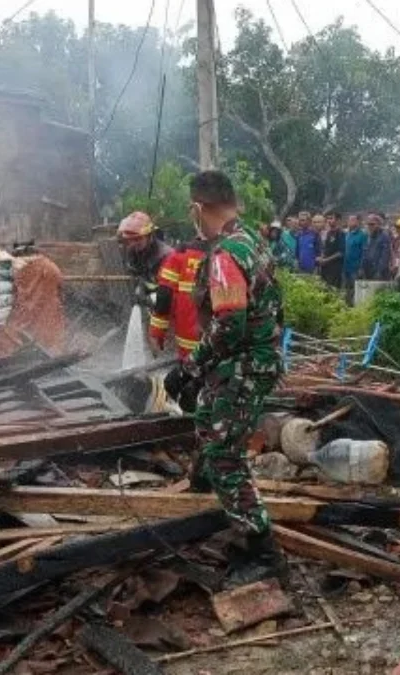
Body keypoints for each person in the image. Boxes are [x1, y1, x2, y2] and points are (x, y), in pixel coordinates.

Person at [165, 170, 287, 586]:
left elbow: (229, 323)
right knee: (211, 431)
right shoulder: (254, 242)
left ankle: (262, 551)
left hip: (241, 368)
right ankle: (206, 501)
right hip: (255, 362)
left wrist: (190, 367)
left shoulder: (223, 255)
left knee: (225, 455)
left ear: (198, 208)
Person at [150, 236, 208, 365]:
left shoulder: (181, 254)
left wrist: (156, 333)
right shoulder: (233, 251)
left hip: (189, 348)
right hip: (223, 347)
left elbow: (164, 296)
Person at [117, 211, 173, 310]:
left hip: (168, 304)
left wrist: (152, 298)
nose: (133, 243)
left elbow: (171, 290)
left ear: (150, 236)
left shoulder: (166, 256)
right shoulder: (133, 252)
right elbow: (138, 275)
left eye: (138, 239)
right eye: (130, 240)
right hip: (150, 302)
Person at [343, 214, 368, 303]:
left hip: (356, 267)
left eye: (352, 220)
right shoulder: (347, 234)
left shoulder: (362, 235)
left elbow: (364, 252)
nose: (349, 222)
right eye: (349, 220)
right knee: (346, 289)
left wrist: (361, 267)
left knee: (355, 289)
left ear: (358, 222)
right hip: (346, 267)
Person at [362, 212, 392, 281]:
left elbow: (385, 257)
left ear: (379, 224)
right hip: (368, 271)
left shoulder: (384, 237)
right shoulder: (368, 237)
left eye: (372, 224)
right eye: (368, 224)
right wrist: (362, 268)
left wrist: (379, 271)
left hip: (379, 273)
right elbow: (365, 253)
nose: (370, 226)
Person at [318, 211, 345, 288]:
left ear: (338, 220)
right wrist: (322, 257)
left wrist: (326, 260)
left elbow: (340, 253)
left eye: (331, 218)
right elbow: (326, 248)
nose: (329, 221)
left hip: (335, 269)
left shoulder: (341, 233)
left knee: (333, 291)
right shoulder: (329, 233)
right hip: (325, 268)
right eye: (328, 219)